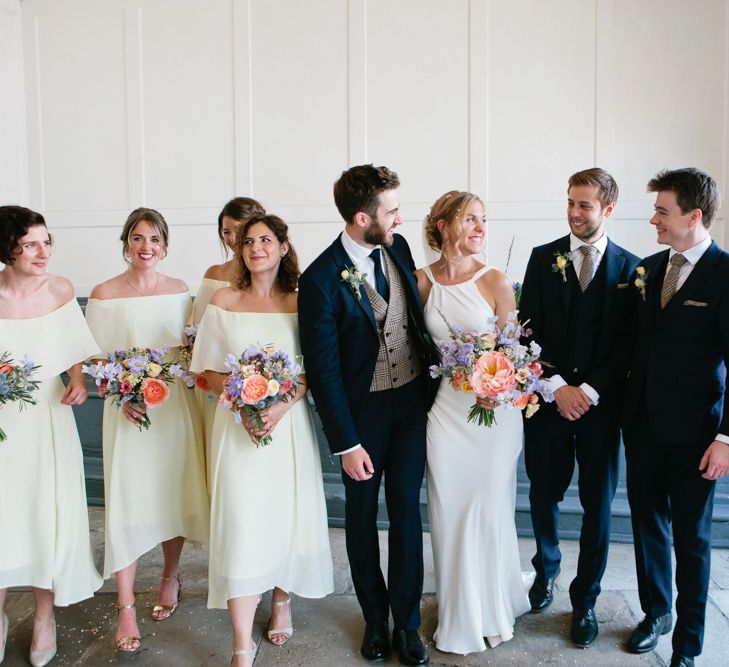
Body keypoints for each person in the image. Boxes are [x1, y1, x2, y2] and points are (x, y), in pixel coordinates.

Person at [298, 164, 437, 666]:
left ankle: (407, 624)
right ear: (362, 217)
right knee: (361, 518)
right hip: (362, 419)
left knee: (406, 513)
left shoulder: (397, 249)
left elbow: (412, 322)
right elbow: (324, 371)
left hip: (411, 407)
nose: (400, 217)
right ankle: (374, 620)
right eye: (391, 210)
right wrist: (346, 441)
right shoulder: (319, 280)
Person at [190, 214, 333, 667]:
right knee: (241, 521)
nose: (256, 248)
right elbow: (205, 371)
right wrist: (242, 398)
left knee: (283, 514)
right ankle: (239, 642)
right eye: (248, 241)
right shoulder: (224, 300)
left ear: (283, 247)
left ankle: (282, 599)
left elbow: (316, 369)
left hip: (286, 426)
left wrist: (279, 404)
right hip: (236, 431)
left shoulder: (301, 302)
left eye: (266, 240)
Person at [519, 168, 639, 647]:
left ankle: (585, 598)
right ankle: (545, 572)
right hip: (548, 405)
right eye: (571, 202)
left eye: (585, 205)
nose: (574, 212)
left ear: (607, 209)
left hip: (600, 411)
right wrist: (554, 386)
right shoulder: (542, 257)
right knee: (542, 495)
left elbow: (629, 346)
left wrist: (587, 390)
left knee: (597, 507)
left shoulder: (633, 269)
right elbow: (526, 332)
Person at [85, 208, 209, 653]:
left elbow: (188, 350)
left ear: (166, 246)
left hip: (173, 405)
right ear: (126, 243)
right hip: (127, 411)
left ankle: (171, 575)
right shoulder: (104, 294)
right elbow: (95, 359)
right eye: (138, 238)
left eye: (155, 239)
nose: (146, 248)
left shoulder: (180, 291)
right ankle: (124, 605)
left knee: (171, 492)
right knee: (128, 498)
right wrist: (123, 393)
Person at [414, 191, 531, 654]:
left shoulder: (496, 281)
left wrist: (496, 381)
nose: (481, 228)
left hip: (494, 417)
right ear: (443, 226)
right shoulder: (420, 282)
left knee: (487, 506)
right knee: (450, 511)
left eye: (484, 220)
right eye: (470, 219)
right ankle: (460, 612)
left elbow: (515, 353)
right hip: (445, 413)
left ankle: (493, 606)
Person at [622, 168, 729, 667]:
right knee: (648, 526)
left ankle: (688, 646)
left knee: (692, 540)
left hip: (696, 434)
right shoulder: (647, 268)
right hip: (642, 424)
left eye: (662, 211)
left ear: (694, 216)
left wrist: (726, 438)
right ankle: (656, 613)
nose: (653, 220)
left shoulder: (725, 274)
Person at [0, 205, 102, 667]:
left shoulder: (60, 288)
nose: (43, 253)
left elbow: (73, 348)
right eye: (30, 245)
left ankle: (45, 615)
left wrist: (78, 380)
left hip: (45, 417)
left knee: (43, 511)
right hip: (4, 425)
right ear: (7, 250)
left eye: (47, 242)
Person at [193, 197, 266, 492]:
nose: (232, 238)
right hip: (217, 382)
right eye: (226, 231)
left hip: (260, 380)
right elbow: (198, 330)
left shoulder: (271, 279)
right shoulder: (213, 275)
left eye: (239, 230)